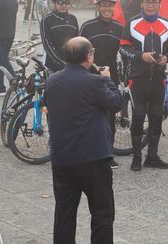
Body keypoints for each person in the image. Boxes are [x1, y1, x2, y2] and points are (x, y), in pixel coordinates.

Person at [44, 37, 122, 244]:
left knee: (64, 213)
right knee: (102, 212)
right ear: (89, 56)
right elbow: (116, 102)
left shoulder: (52, 80)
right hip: (92, 158)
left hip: (62, 157)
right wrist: (107, 79)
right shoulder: (95, 82)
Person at [119, 0, 168, 171]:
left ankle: (152, 156)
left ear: (160, 4)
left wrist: (167, 58)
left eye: (154, 1)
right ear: (141, 4)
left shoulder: (167, 24)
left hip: (158, 79)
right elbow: (123, 48)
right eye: (147, 1)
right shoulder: (132, 23)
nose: (150, 5)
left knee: (156, 118)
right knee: (138, 117)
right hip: (137, 79)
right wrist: (140, 56)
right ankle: (137, 158)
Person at [79, 0, 124, 169]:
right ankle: (87, 152)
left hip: (110, 77)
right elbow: (80, 52)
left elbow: (124, 53)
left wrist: (123, 76)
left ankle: (108, 155)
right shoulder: (87, 26)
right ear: (97, 7)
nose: (107, 9)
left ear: (114, 7)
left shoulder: (119, 27)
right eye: (103, 5)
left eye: (110, 5)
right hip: (90, 76)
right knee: (88, 116)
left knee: (110, 118)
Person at [40, 0, 79, 72]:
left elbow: (77, 41)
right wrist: (60, 63)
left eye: (67, 2)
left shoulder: (73, 18)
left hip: (70, 62)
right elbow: (47, 44)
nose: (64, 5)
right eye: (60, 2)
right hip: (52, 64)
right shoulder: (46, 20)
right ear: (53, 3)